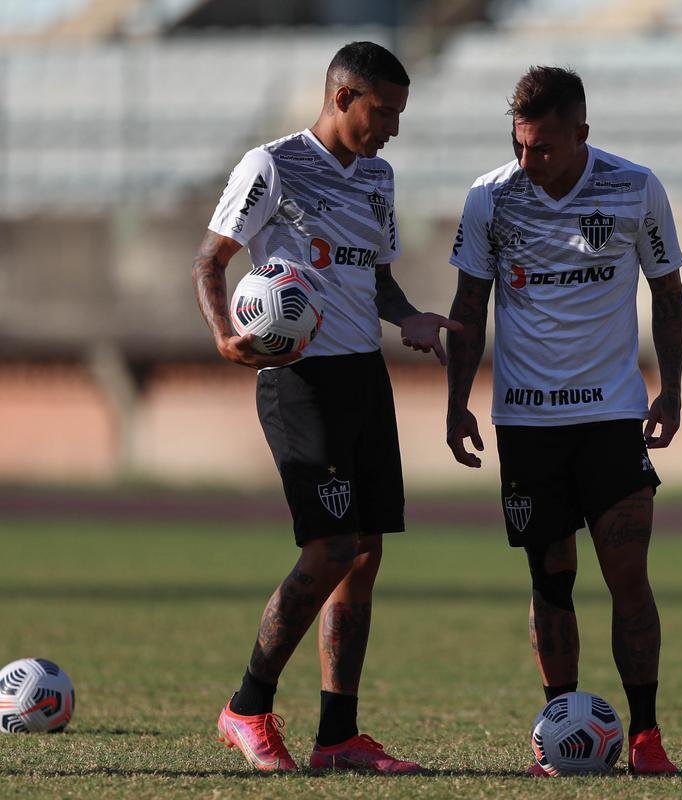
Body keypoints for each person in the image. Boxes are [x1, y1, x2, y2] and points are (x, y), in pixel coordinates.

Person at [191, 41, 459, 773]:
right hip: (298, 379)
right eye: (384, 111)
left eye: (400, 113)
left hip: (362, 377)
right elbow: (210, 261)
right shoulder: (272, 165)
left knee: (364, 554)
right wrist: (224, 338)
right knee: (331, 546)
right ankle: (246, 707)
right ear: (344, 97)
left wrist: (410, 318)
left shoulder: (378, 176)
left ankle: (337, 736)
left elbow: (377, 280)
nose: (393, 128)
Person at [445, 66, 682, 776]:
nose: (530, 161)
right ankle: (561, 728)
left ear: (581, 133)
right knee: (549, 578)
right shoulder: (489, 198)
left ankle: (644, 736)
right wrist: (456, 400)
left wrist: (670, 389)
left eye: (544, 147)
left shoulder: (634, 187)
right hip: (525, 422)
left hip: (611, 417)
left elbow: (667, 294)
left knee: (626, 575)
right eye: (519, 145)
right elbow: (468, 306)